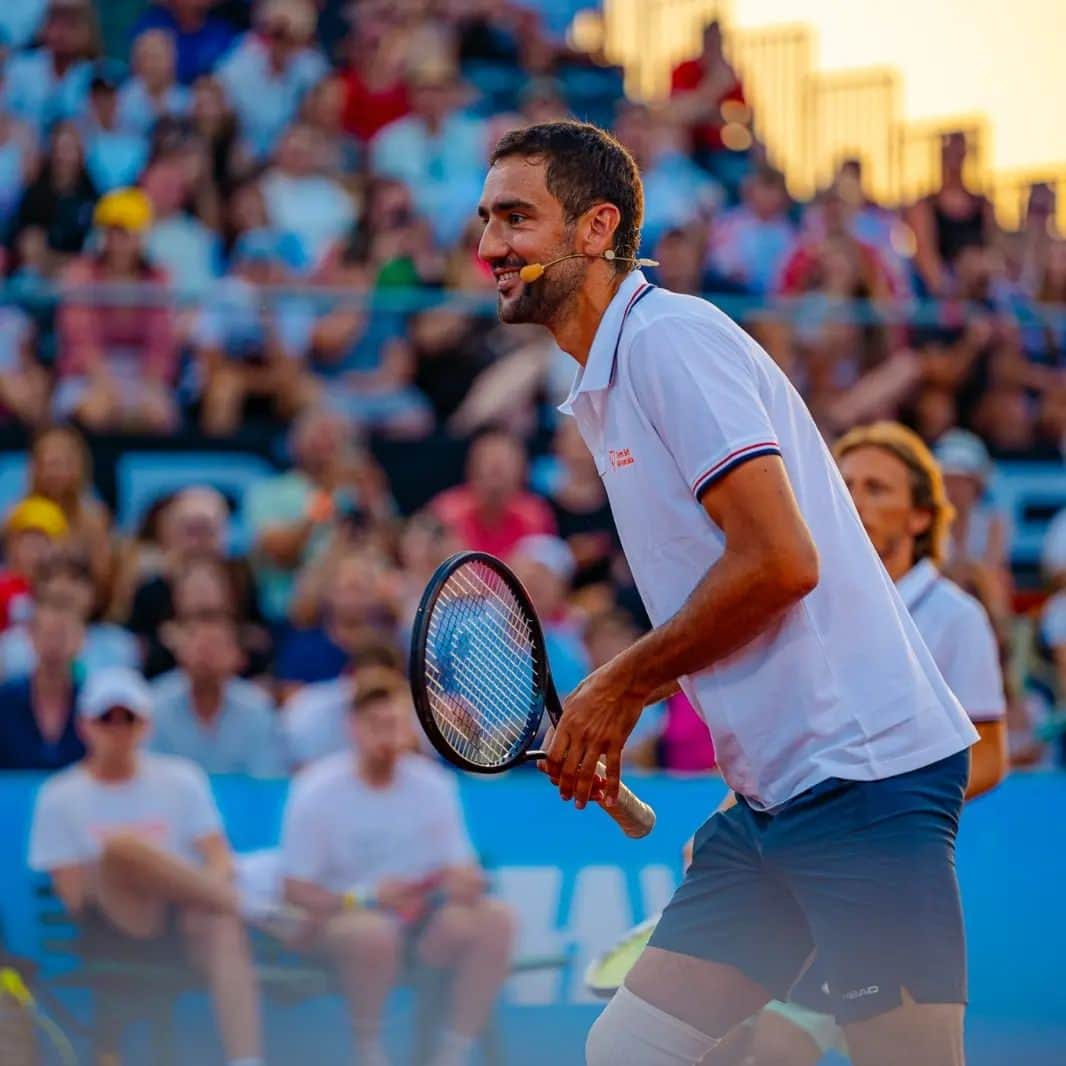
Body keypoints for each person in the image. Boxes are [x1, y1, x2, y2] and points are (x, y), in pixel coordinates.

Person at [476, 121, 977, 1066]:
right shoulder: (608, 381)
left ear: (596, 228)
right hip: (777, 798)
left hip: (863, 782)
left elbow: (781, 563)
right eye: (487, 219)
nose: (488, 246)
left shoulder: (670, 339)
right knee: (626, 1052)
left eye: (516, 218)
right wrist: (682, 732)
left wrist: (618, 687)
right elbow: (735, 593)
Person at [735, 421, 1010, 1066]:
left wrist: (869, 811)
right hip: (808, 888)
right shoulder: (804, 608)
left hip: (896, 888)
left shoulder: (955, 617)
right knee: (767, 1049)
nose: (855, 498)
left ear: (919, 518)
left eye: (877, 487)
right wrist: (735, 821)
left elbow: (990, 757)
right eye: (845, 484)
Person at [27, 666, 266, 1066]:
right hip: (112, 926)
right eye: (107, 719)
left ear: (146, 726)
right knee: (121, 850)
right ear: (86, 725)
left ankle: (246, 1060)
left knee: (222, 926)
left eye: (129, 719)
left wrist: (180, 889)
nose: (118, 731)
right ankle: (255, 908)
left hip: (183, 921)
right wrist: (144, 874)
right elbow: (74, 899)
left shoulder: (181, 779)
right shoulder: (60, 796)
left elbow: (220, 858)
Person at [280, 668, 514, 1066]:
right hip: (347, 921)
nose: (387, 734)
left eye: (397, 723)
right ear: (352, 727)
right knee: (374, 935)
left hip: (422, 925)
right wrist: (367, 898)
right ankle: (369, 1053)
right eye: (376, 723)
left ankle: (449, 1055)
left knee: (497, 920)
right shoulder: (317, 790)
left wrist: (464, 883)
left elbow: (461, 869)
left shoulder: (433, 784)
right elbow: (296, 891)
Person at [149, 610, 284, 775]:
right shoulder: (154, 705)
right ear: (180, 653)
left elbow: (266, 780)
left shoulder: (258, 709)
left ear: (238, 657)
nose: (206, 654)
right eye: (198, 645)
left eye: (217, 645)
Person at [430, 429, 556, 559]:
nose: (495, 467)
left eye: (505, 461)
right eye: (487, 459)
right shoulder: (446, 511)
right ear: (471, 466)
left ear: (523, 469)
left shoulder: (535, 515)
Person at [0, 595, 85, 770]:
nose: (53, 645)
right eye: (47, 634)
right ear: (30, 637)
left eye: (61, 635)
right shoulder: (4, 699)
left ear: (80, 639)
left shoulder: (91, 701)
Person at [0, 496, 68, 630]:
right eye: (29, 543)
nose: (36, 553)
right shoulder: (3, 587)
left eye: (45, 543)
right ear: (12, 545)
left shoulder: (65, 589)